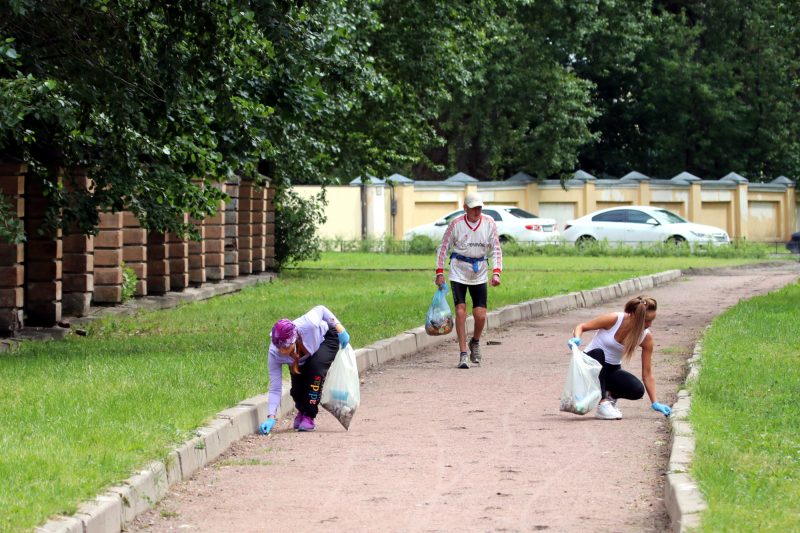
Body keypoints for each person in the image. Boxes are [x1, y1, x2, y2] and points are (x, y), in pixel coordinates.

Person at [568, 295, 672, 420]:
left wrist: (655, 402)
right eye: (646, 321)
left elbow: (647, 374)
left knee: (637, 390)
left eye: (652, 320)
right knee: (599, 353)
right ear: (634, 316)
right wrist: (576, 338)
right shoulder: (615, 319)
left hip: (610, 369)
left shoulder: (646, 337)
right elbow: (581, 327)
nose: (649, 325)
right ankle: (603, 403)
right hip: (590, 366)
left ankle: (608, 395)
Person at [435, 192, 502, 369]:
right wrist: (439, 272)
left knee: (480, 316)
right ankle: (463, 353)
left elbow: (496, 249)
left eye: (479, 207)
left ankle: (475, 342)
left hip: (479, 271)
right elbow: (443, 248)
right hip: (458, 271)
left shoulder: (489, 223)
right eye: (473, 208)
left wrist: (496, 272)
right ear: (465, 208)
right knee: (461, 312)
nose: (477, 211)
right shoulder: (456, 224)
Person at [259, 306, 350, 434]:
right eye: (279, 347)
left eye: (285, 347)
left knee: (315, 370)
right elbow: (275, 388)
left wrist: (340, 328)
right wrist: (270, 417)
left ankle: (309, 415)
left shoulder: (308, 324)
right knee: (297, 389)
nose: (282, 351)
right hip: (300, 355)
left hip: (326, 338)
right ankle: (302, 411)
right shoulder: (275, 353)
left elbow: (321, 309)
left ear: (294, 339)